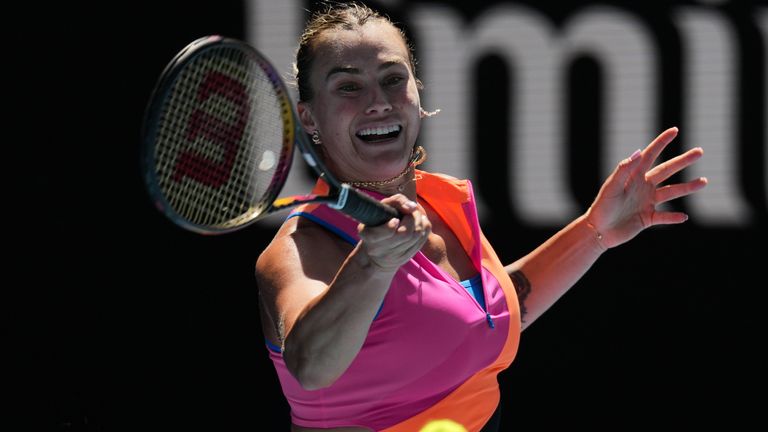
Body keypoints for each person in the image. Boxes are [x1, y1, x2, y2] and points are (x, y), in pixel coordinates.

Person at [255, 2, 708, 431]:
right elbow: (311, 365)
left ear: (417, 94)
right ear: (309, 118)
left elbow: (479, 316)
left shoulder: (443, 202)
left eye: (393, 79)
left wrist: (593, 232)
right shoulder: (303, 247)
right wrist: (373, 264)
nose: (379, 101)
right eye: (348, 86)